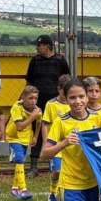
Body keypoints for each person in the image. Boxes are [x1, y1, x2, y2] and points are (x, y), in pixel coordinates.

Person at [25, 34, 70, 178]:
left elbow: (67, 82)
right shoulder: (35, 61)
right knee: (37, 132)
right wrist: (25, 99)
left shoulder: (60, 61)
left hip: (56, 103)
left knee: (58, 130)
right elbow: (29, 83)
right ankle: (34, 166)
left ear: (47, 46)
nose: (36, 48)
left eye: (39, 45)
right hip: (38, 102)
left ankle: (60, 163)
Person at [40, 75, 72, 201]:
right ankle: (53, 193)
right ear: (59, 89)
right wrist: (47, 143)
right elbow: (45, 124)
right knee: (57, 171)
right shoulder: (51, 104)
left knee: (69, 173)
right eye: (65, 91)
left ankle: (66, 198)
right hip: (56, 144)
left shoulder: (75, 104)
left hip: (72, 145)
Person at [6, 86, 41, 200]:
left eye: (36, 98)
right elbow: (20, 127)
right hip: (13, 137)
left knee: (20, 162)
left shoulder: (37, 111)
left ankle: (15, 187)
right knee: (20, 159)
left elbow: (39, 123)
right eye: (30, 98)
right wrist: (32, 116)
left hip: (26, 138)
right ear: (23, 97)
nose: (33, 101)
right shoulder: (17, 106)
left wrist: (35, 136)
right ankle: (23, 190)